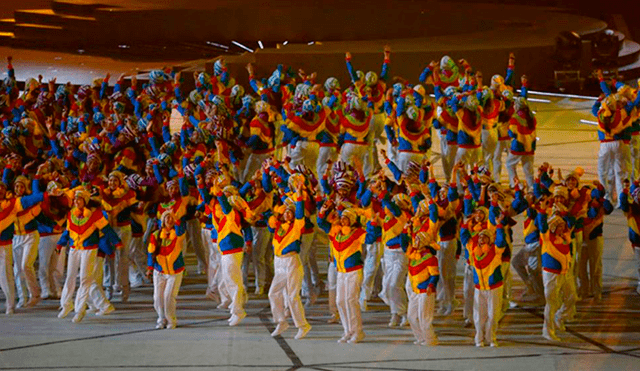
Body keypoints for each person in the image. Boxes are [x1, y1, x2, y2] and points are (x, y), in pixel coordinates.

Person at [56, 189, 122, 323]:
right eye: (75, 199)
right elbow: (67, 232)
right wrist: (60, 244)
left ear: (85, 201)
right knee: (70, 277)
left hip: (89, 249)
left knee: (85, 279)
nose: (76, 202)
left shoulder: (95, 215)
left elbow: (107, 230)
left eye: (79, 199)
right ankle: (66, 304)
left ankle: (79, 310)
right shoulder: (71, 215)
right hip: (75, 249)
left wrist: (117, 242)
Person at [267, 182, 312, 340]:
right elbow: (271, 217)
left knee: (293, 296)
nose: (288, 214)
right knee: (273, 293)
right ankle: (281, 322)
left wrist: (298, 196)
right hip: (279, 263)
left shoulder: (297, 226)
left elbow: (300, 214)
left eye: (290, 212)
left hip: (292, 262)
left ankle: (302, 325)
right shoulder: (278, 227)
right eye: (286, 212)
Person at [318, 205, 366, 344]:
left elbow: (372, 236)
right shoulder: (335, 232)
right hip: (341, 272)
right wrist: (323, 210)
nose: (342, 221)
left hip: (353, 271)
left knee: (351, 300)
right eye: (342, 218)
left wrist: (369, 217)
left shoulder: (357, 233)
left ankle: (358, 331)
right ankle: (347, 331)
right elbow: (321, 223)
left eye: (346, 219)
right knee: (340, 301)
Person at [463, 213, 507, 347]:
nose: (481, 239)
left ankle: (491, 338)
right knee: (479, 316)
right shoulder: (474, 252)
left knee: (493, 315)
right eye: (480, 237)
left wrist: (499, 225)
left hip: (494, 288)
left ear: (489, 240)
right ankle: (479, 338)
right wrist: (465, 224)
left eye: (485, 237)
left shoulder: (496, 251)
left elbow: (501, 241)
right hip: (479, 288)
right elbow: (465, 238)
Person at [147, 210, 186, 329]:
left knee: (169, 296)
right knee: (158, 297)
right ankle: (161, 318)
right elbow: (151, 252)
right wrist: (149, 268)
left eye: (171, 218)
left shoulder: (178, 234)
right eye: (166, 217)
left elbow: (181, 228)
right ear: (162, 221)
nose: (169, 220)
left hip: (175, 271)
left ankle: (171, 319)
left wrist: (176, 216)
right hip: (159, 271)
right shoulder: (155, 235)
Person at [406, 231, 440, 346]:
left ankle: (430, 339)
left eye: (418, 240)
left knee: (424, 317)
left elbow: (435, 275)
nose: (415, 242)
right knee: (411, 316)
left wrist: (431, 285)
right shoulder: (414, 255)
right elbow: (404, 242)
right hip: (415, 290)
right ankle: (420, 337)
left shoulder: (430, 258)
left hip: (425, 291)